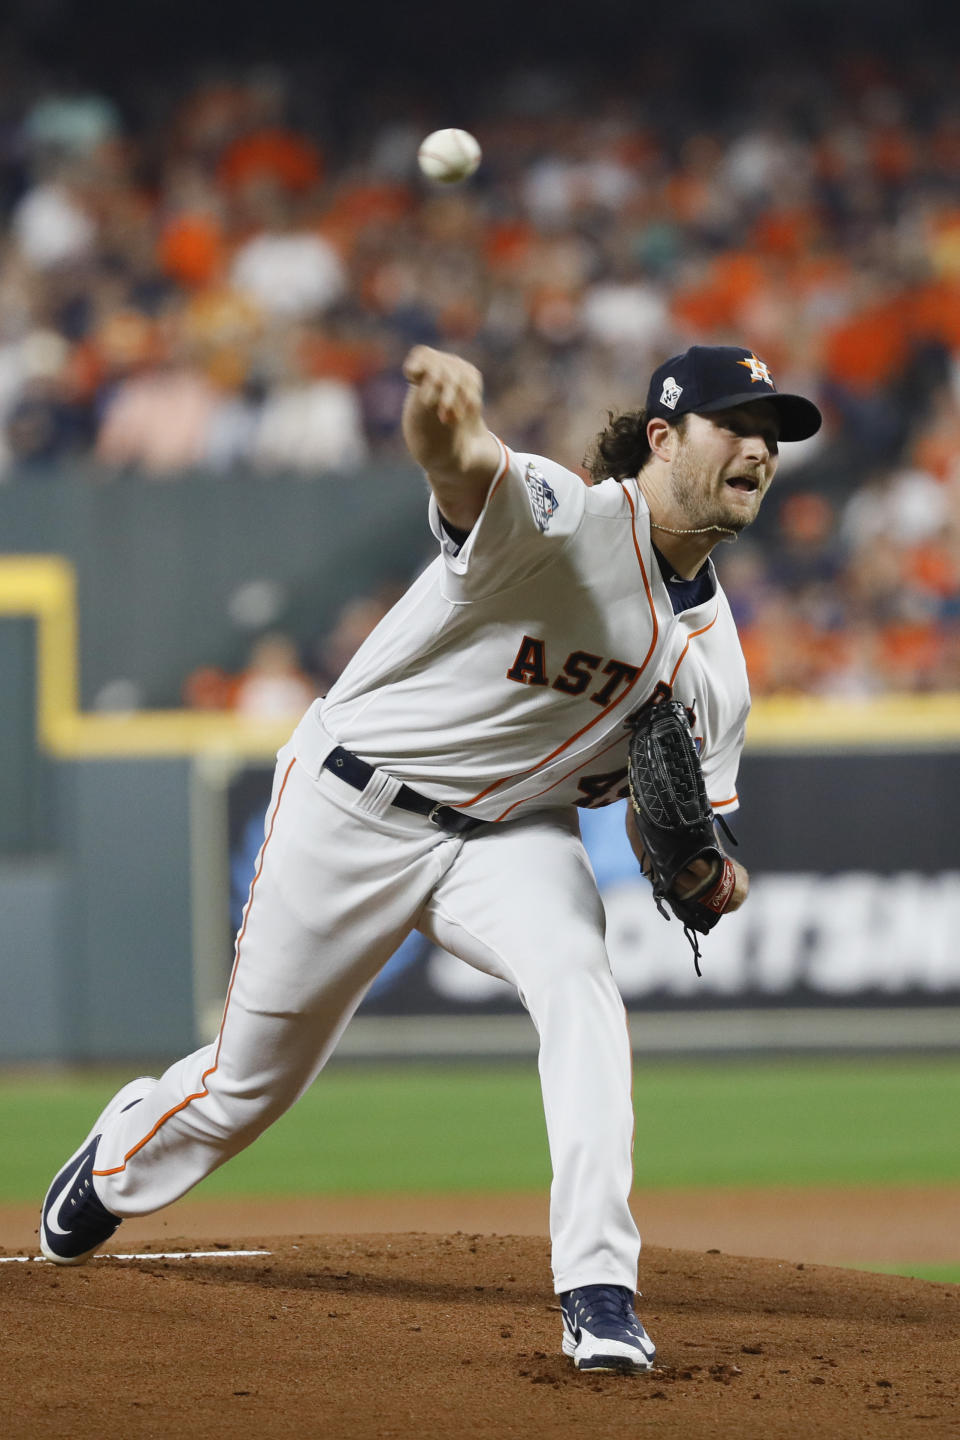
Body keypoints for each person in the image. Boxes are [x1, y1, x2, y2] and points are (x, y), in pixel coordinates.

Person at [40, 342, 821, 1374]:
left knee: (582, 989)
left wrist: (704, 875)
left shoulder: (719, 667)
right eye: (739, 426)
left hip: (510, 838)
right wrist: (440, 418)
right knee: (247, 1087)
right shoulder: (559, 517)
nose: (760, 452)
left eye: (773, 437)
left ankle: (599, 1292)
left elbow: (684, 845)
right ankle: (119, 1160)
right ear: (665, 438)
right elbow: (463, 468)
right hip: (351, 805)